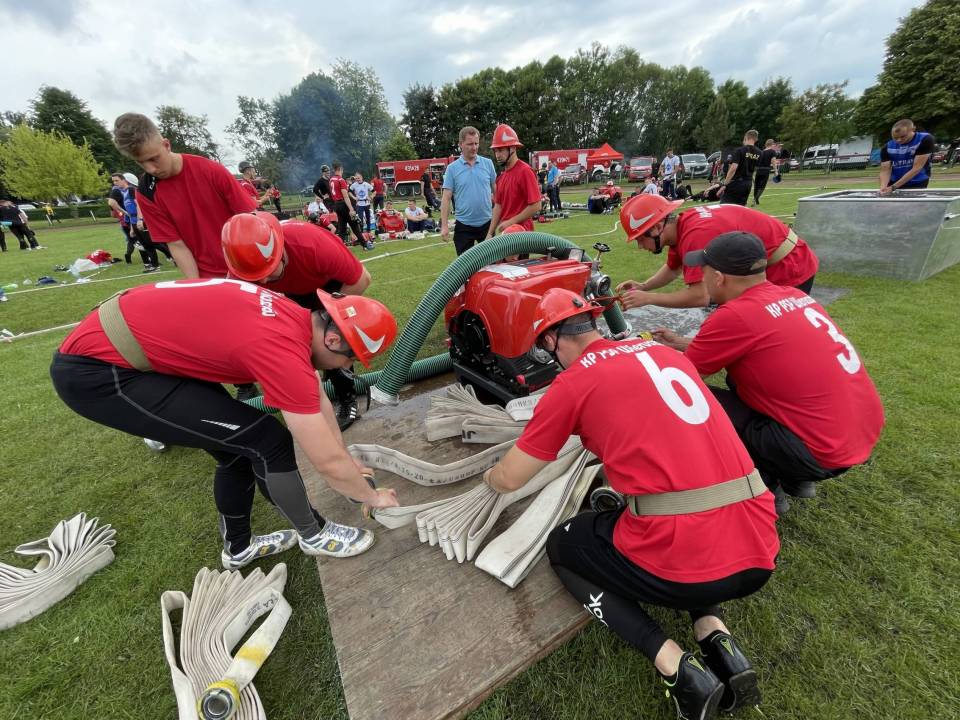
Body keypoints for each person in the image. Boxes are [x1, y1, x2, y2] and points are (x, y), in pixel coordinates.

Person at [483, 288, 778, 720]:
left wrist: (489, 476)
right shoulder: (667, 355)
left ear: (549, 340)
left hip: (687, 558)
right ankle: (717, 638)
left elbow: (510, 478)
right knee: (685, 514)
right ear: (594, 322)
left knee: (565, 545)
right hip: (759, 542)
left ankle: (677, 667)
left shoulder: (574, 382)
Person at [51, 280, 400, 570]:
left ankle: (239, 548)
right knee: (267, 440)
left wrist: (350, 463)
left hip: (128, 351)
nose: (344, 368)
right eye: (349, 360)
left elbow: (317, 401)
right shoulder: (280, 348)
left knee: (236, 448)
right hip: (100, 373)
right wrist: (372, 497)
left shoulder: (292, 317)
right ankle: (315, 535)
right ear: (333, 340)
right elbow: (325, 461)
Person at [653, 231, 884, 514]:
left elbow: (682, 378)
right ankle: (794, 479)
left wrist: (642, 357)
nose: (702, 276)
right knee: (739, 378)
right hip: (859, 432)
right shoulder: (794, 295)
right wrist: (681, 342)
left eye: (704, 270)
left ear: (719, 277)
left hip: (817, 451)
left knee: (687, 403)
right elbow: (754, 344)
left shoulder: (734, 315)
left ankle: (765, 486)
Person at [222, 212, 372, 429]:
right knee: (296, 344)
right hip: (293, 293)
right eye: (256, 275)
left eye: (270, 269)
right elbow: (239, 312)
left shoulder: (312, 244)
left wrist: (327, 319)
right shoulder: (242, 266)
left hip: (330, 286)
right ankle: (308, 398)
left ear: (281, 248)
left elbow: (362, 279)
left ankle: (347, 399)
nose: (264, 279)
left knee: (332, 342)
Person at [112, 113, 257, 279]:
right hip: (207, 279)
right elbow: (176, 244)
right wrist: (197, 286)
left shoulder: (211, 170)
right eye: (141, 162)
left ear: (166, 145)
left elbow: (251, 221)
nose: (150, 169)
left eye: (154, 159)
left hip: (247, 270)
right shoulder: (146, 192)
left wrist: (257, 270)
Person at [616, 194, 819, 309]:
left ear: (657, 227)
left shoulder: (696, 233)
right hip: (775, 262)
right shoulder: (682, 227)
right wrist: (644, 286)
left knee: (768, 334)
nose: (640, 246)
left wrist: (649, 299)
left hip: (789, 267)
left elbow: (700, 296)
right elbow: (673, 268)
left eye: (640, 239)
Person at [440, 126, 497, 255]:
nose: (474, 147)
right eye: (470, 144)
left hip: (487, 225)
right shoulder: (452, 169)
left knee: (493, 264)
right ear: (461, 144)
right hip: (463, 227)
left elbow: (497, 192)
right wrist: (444, 226)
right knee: (466, 266)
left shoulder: (488, 164)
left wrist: (500, 217)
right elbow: (446, 198)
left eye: (476, 143)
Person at [487, 123, 541, 237]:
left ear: (512, 148)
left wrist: (511, 222)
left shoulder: (525, 171)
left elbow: (536, 205)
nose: (497, 155)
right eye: (495, 151)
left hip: (522, 234)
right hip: (506, 233)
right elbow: (498, 206)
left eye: (500, 150)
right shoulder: (501, 177)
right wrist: (490, 234)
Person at [880, 119, 935, 194]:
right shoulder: (887, 147)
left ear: (913, 129)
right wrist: (883, 188)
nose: (899, 140)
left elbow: (917, 168)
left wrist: (893, 187)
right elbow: (885, 170)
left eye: (903, 136)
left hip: (917, 181)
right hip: (894, 180)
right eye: (895, 138)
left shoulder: (925, 139)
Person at [329, 162, 371, 249]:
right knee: (354, 224)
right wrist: (351, 209)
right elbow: (345, 196)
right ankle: (365, 244)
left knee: (342, 228)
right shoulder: (341, 180)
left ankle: (339, 247)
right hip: (343, 204)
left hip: (336, 204)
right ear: (340, 169)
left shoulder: (331, 179)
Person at [718, 131, 761, 206]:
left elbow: (733, 168)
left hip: (737, 183)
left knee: (725, 206)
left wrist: (725, 184)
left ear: (746, 137)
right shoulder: (760, 153)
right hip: (748, 183)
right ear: (756, 139)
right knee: (740, 208)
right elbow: (755, 169)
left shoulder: (740, 150)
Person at [752, 140, 780, 206]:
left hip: (758, 170)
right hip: (765, 170)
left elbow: (755, 162)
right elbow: (773, 161)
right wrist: (776, 171)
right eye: (774, 144)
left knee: (757, 186)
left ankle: (755, 199)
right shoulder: (772, 151)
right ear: (771, 144)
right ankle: (755, 198)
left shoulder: (761, 152)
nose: (774, 146)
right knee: (762, 186)